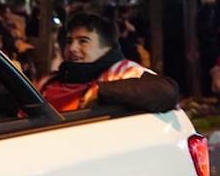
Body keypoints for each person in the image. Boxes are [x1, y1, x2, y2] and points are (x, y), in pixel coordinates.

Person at [36, 12, 180, 114]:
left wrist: (101, 91)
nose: (72, 48)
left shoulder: (121, 72)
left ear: (106, 48)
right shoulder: (49, 81)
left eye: (83, 41)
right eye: (69, 41)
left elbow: (166, 92)